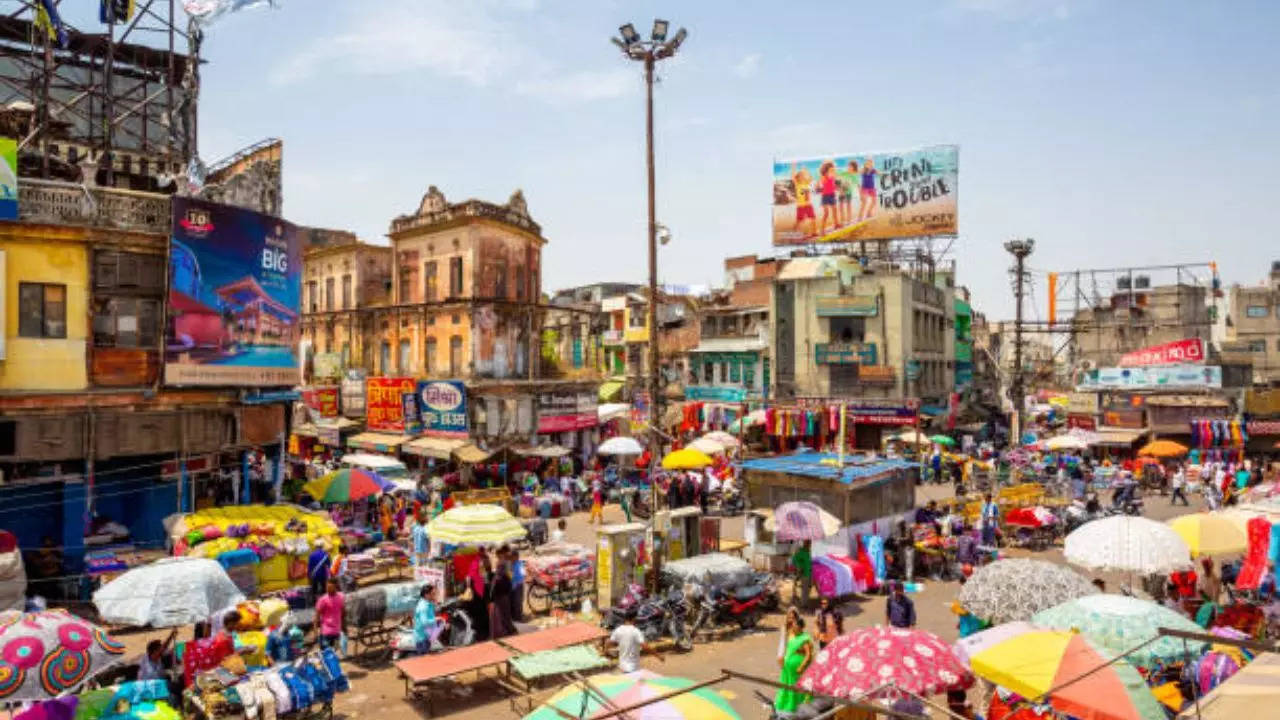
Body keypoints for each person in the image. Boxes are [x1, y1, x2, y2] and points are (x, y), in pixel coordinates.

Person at [774, 614, 813, 714]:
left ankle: (795, 705)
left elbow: (808, 655)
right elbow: (786, 647)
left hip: (797, 670)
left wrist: (801, 666)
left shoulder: (804, 638)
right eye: (793, 625)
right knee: (786, 685)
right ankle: (785, 704)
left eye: (795, 625)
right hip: (787, 668)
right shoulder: (792, 635)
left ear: (800, 627)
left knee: (795, 686)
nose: (793, 627)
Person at [314, 579, 346, 650]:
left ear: (336, 587)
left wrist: (344, 628)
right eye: (327, 587)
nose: (328, 589)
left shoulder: (341, 597)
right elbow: (316, 617)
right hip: (325, 633)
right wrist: (315, 633)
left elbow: (343, 613)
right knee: (326, 653)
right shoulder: (323, 600)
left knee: (333, 653)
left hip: (336, 632)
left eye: (330, 588)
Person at [412, 584, 443, 652]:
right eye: (432, 594)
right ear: (426, 595)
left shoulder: (427, 604)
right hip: (422, 638)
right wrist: (437, 619)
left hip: (427, 636)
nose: (434, 595)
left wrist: (435, 602)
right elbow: (425, 622)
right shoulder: (423, 606)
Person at [792, 164, 817, 237]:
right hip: (801, 206)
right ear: (798, 178)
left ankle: (814, 232)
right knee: (799, 221)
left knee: (813, 218)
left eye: (804, 175)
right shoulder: (797, 184)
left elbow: (811, 178)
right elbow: (793, 177)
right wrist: (793, 167)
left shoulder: (807, 183)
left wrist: (806, 170)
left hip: (808, 204)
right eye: (801, 175)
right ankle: (793, 233)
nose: (803, 176)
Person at [817, 160, 839, 236]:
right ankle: (822, 230)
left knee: (835, 210)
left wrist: (836, 187)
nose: (833, 171)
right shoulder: (823, 177)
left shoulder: (833, 175)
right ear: (826, 170)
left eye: (833, 169)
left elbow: (833, 184)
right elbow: (820, 185)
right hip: (825, 196)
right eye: (831, 170)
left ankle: (836, 224)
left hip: (832, 195)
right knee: (826, 213)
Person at [790, 540, 814, 609]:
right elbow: (794, 560)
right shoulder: (801, 551)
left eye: (810, 543)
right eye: (808, 543)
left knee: (809, 587)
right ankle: (803, 604)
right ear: (804, 543)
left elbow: (808, 561)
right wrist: (799, 566)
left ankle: (804, 601)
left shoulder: (808, 552)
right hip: (804, 573)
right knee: (805, 589)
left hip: (809, 572)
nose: (809, 545)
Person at [857, 157, 877, 222]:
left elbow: (880, 174)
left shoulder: (873, 170)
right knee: (864, 202)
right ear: (865, 164)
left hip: (872, 188)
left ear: (872, 165)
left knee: (874, 202)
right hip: (864, 188)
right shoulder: (863, 170)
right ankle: (860, 217)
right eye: (867, 163)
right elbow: (857, 173)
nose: (869, 165)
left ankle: (868, 213)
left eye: (870, 164)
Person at [509, 549, 525, 623]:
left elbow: (522, 575)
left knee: (517, 603)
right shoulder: (510, 564)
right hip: (512, 586)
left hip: (518, 586)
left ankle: (518, 618)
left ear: (516, 557)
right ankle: (514, 618)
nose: (511, 558)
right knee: (512, 602)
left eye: (512, 557)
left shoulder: (520, 564)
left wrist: (516, 581)